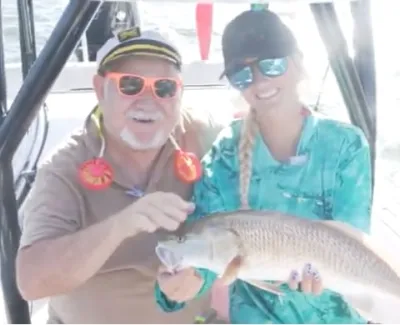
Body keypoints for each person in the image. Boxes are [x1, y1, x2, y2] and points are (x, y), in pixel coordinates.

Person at [156, 9, 372, 324]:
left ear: (298, 63)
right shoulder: (224, 154)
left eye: (271, 64)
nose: (259, 82)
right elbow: (206, 250)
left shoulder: (346, 144)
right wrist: (177, 286)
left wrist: (317, 272)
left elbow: (351, 244)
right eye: (242, 75)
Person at [16, 26, 225, 323]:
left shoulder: (203, 134)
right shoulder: (64, 168)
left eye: (164, 88)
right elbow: (32, 282)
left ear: (179, 93)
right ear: (101, 89)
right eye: (130, 85)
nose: (148, 101)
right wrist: (121, 225)